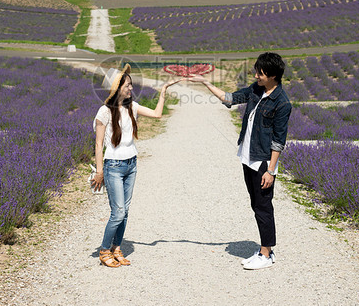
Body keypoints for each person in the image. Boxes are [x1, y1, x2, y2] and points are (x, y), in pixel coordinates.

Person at [189, 52, 292, 270]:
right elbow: (231, 98)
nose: (256, 75)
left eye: (260, 73)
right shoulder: (256, 90)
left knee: (263, 206)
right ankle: (265, 250)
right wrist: (205, 83)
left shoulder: (282, 103)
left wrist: (271, 171)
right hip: (248, 157)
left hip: (263, 162)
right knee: (256, 204)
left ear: (273, 75)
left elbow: (278, 140)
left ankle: (266, 253)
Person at [93, 64, 180, 268]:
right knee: (118, 212)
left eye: (131, 85)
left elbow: (158, 115)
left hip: (131, 163)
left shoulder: (132, 107)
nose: (131, 88)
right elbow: (98, 144)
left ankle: (116, 248)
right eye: (127, 85)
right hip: (113, 165)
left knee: (126, 211)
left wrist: (164, 91)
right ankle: (105, 249)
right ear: (117, 89)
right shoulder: (104, 112)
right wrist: (99, 172)